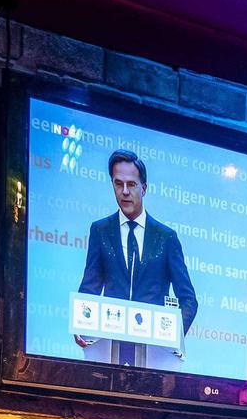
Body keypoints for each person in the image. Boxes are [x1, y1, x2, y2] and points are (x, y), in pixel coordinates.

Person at [75, 150, 200, 369]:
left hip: (155, 356)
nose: (124, 192)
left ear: (144, 188)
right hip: (109, 351)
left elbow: (189, 299)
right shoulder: (100, 230)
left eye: (131, 184)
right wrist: (81, 324)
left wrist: (174, 338)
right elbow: (90, 289)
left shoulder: (166, 237)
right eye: (118, 184)